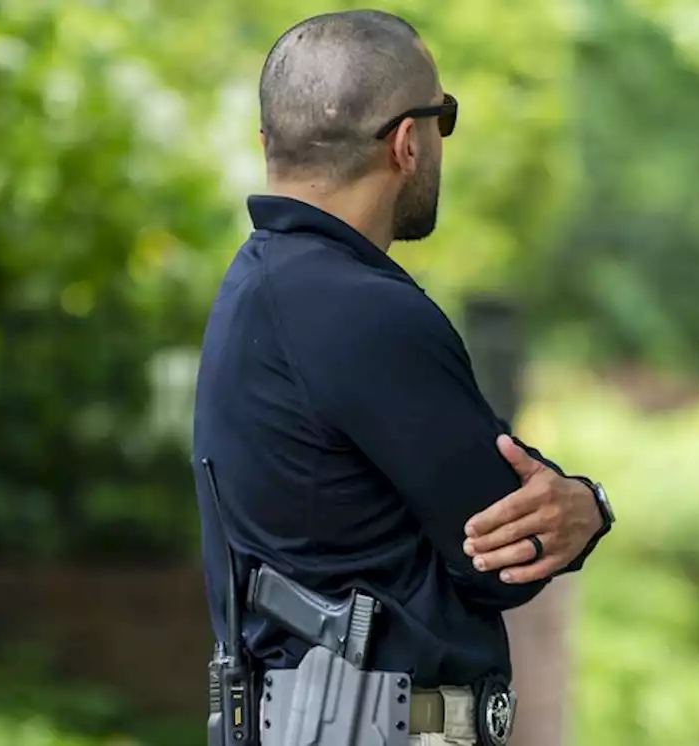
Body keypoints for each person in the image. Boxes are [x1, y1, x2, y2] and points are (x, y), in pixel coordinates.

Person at [192, 9, 614, 744]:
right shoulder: (365, 312)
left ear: (270, 143)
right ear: (407, 141)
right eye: (442, 118)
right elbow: (503, 555)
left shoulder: (255, 289)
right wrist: (589, 504)